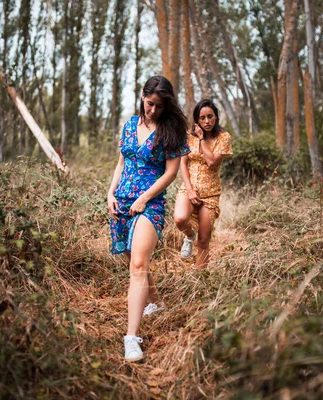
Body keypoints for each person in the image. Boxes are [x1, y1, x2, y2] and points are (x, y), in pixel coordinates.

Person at [107, 75, 189, 362]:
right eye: (149, 103)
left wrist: (144, 198)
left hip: (150, 203)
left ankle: (131, 337)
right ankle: (155, 301)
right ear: (142, 97)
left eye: (158, 106)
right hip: (122, 200)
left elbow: (171, 173)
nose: (152, 110)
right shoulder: (130, 124)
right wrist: (110, 193)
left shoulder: (171, 132)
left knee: (139, 264)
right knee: (133, 258)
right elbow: (121, 162)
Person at [173, 99, 233, 269]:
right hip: (189, 189)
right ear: (196, 120)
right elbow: (183, 164)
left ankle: (201, 281)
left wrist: (201, 140)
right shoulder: (187, 136)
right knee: (180, 218)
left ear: (216, 117)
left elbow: (212, 162)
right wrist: (190, 190)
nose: (207, 121)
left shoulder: (223, 137)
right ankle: (189, 236)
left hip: (210, 193)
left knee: (204, 240)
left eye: (210, 117)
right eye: (202, 118)